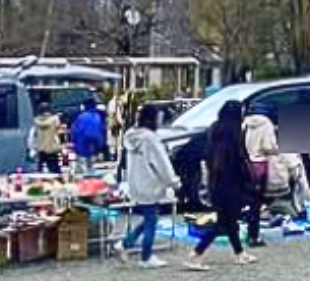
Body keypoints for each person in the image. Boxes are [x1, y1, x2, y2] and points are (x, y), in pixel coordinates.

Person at [186, 100, 257, 270]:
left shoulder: (214, 130)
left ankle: (240, 253)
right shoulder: (233, 135)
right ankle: (196, 254)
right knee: (223, 223)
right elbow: (238, 163)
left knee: (229, 221)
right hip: (231, 185)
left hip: (216, 183)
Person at [115, 104, 179, 269]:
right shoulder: (150, 138)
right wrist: (173, 181)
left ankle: (126, 243)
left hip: (135, 183)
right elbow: (162, 163)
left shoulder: (130, 136)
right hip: (151, 184)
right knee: (151, 220)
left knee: (150, 218)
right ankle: (146, 256)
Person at [242, 107, 278, 247]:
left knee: (248, 201)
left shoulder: (245, 123)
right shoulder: (267, 124)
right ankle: (254, 236)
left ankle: (245, 232)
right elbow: (269, 146)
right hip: (260, 165)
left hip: (246, 165)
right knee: (256, 204)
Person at [70, 99, 107, 172]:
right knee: (91, 163)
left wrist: (73, 141)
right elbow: (101, 130)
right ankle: (91, 175)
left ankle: (82, 177)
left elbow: (74, 130)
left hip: (82, 142)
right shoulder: (98, 116)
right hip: (94, 142)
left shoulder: (81, 117)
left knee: (82, 163)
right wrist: (101, 144)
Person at [29, 104, 64, 174]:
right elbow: (60, 132)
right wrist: (62, 144)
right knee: (55, 170)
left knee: (40, 169)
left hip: (41, 149)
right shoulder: (55, 119)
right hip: (52, 148)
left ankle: (40, 183)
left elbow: (33, 134)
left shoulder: (36, 121)